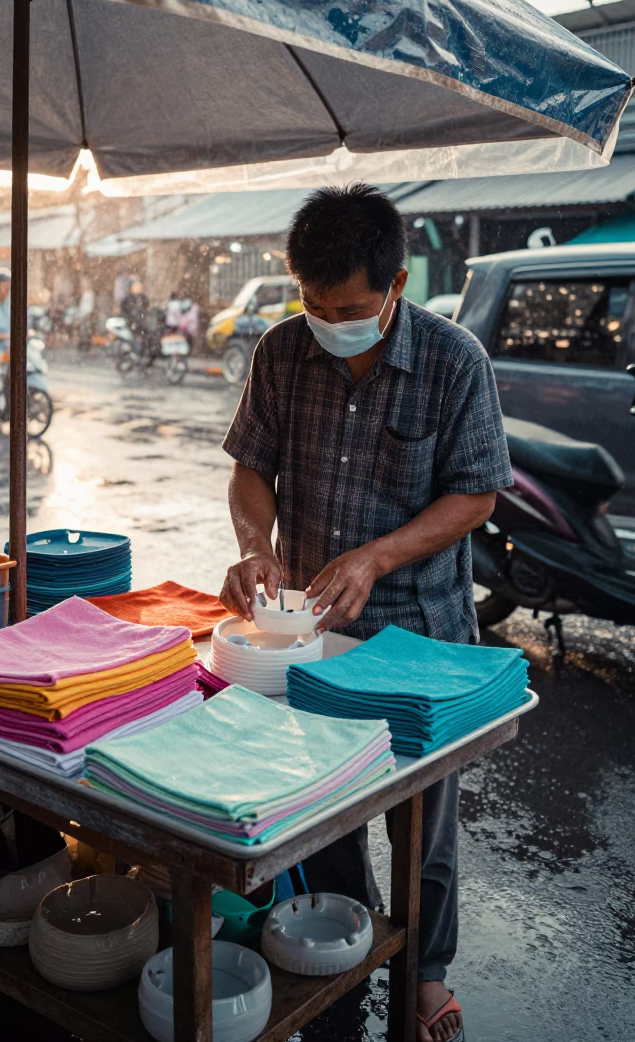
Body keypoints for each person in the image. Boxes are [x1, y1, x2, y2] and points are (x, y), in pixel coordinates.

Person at [220, 184, 513, 1042]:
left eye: (346, 306)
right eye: (312, 303)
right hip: (309, 640)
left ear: (397, 283)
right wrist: (253, 543)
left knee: (422, 825)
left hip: (420, 638)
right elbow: (250, 470)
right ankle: (342, 945)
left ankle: (423, 971)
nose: (326, 319)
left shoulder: (456, 360)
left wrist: (379, 554)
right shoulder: (279, 351)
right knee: (321, 811)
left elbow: (477, 493)